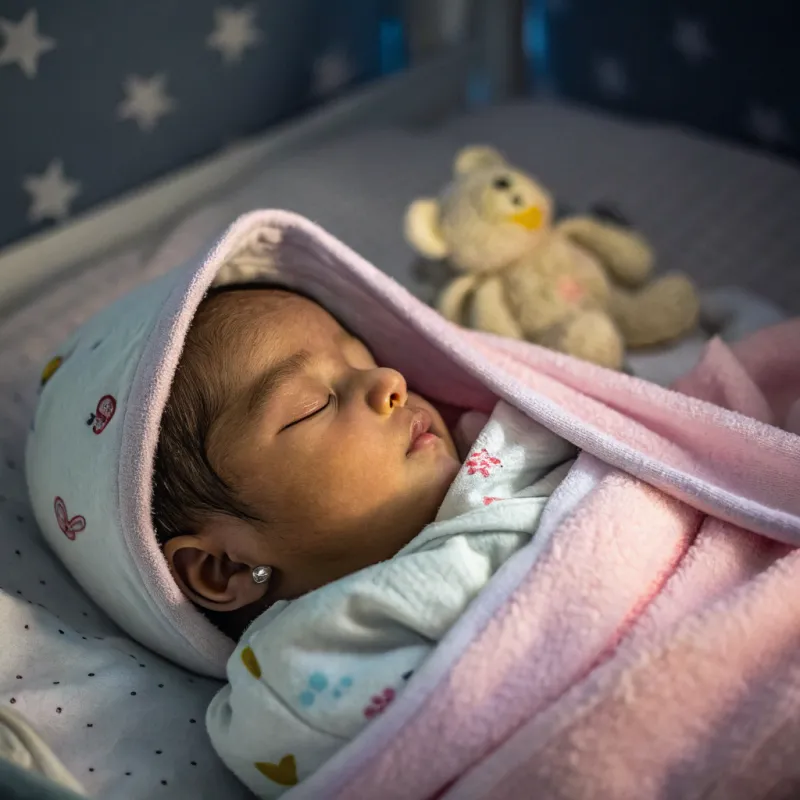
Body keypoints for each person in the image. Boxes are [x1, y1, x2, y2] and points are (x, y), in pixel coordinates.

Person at [26, 248, 575, 798]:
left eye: (364, 357)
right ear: (221, 568)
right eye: (312, 405)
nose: (389, 380)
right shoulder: (303, 668)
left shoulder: (524, 440)